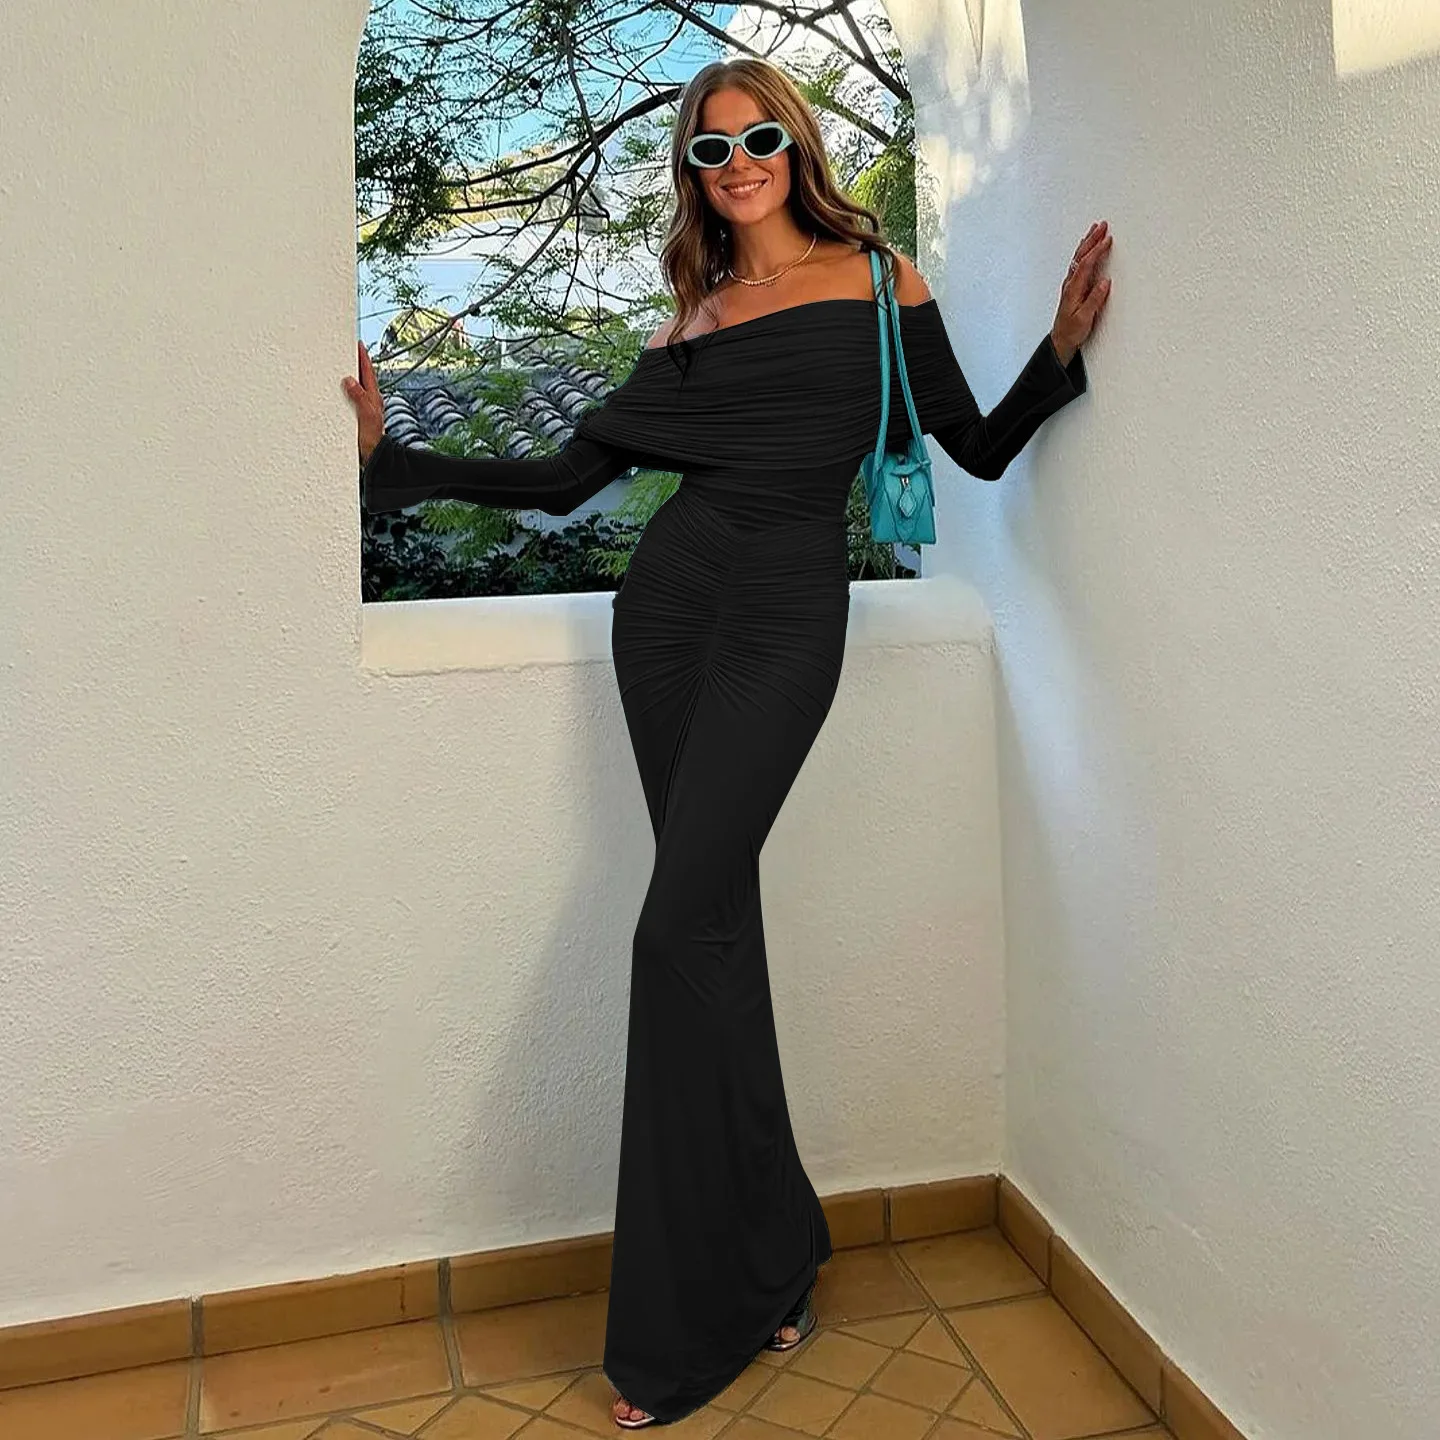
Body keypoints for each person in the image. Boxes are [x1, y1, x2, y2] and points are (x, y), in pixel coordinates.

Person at [343, 55, 1111, 1432]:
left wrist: (1060, 352)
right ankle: (773, 1253)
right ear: (693, 174)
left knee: (674, 932)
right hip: (669, 615)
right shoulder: (690, 323)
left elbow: (977, 449)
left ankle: (690, 1322)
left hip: (786, 618)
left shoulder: (881, 281)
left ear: (796, 147)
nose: (739, 163)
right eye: (712, 149)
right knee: (715, 934)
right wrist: (393, 463)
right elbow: (568, 482)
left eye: (759, 138)